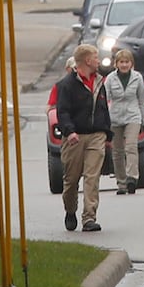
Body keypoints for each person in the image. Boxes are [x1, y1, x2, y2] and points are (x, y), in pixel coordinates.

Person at [54, 43, 111, 232]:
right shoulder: (66, 85)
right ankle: (70, 210)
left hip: (96, 135)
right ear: (87, 60)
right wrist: (69, 132)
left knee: (92, 178)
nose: (98, 61)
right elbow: (62, 112)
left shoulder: (100, 82)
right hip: (75, 137)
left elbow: (103, 108)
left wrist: (107, 132)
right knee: (70, 180)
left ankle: (89, 218)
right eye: (95, 57)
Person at [104, 48, 144, 195]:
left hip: (132, 116)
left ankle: (132, 178)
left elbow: (142, 100)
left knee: (131, 147)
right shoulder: (110, 79)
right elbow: (105, 101)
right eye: (121, 62)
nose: (124, 65)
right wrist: (104, 121)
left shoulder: (137, 78)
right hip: (115, 118)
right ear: (116, 64)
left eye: (127, 62)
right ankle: (121, 183)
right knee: (117, 152)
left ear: (131, 63)